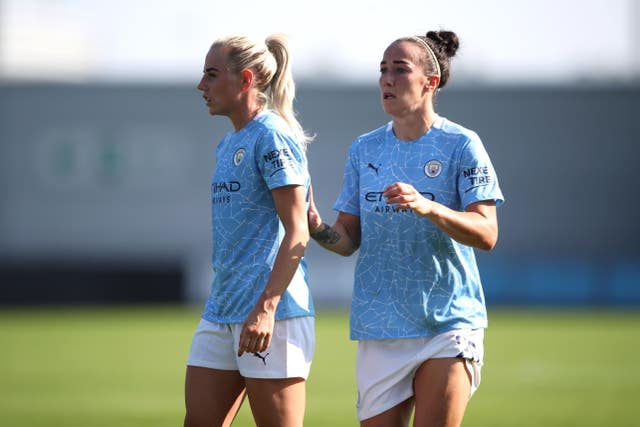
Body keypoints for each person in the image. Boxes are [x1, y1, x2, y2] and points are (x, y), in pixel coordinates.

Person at [307, 30, 504, 427]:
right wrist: (314, 225)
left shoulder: (462, 144)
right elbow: (348, 240)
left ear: (430, 82)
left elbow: (487, 233)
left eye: (400, 69)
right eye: (382, 71)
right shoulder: (364, 148)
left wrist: (429, 207)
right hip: (380, 325)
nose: (387, 79)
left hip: (446, 324)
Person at [184, 34, 315, 427]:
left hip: (271, 315)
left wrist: (266, 309)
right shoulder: (228, 143)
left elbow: (298, 233)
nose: (200, 85)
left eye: (211, 74)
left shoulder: (272, 136)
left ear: (244, 80)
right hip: (222, 309)